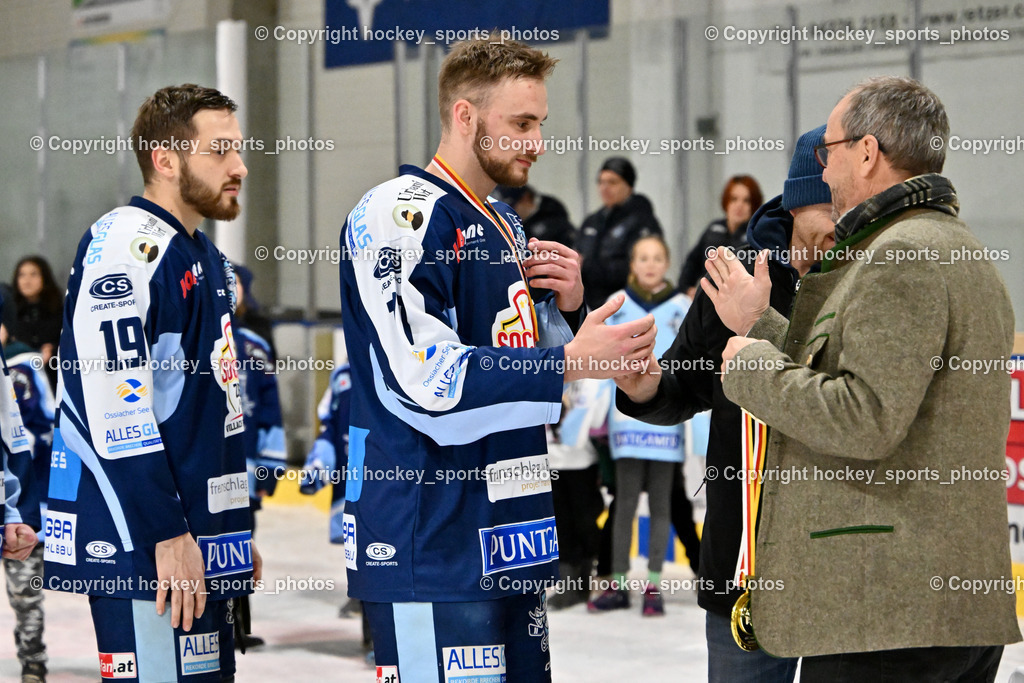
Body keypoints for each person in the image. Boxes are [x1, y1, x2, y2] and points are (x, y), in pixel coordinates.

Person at [338, 36, 657, 681]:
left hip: (512, 534)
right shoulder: (400, 216)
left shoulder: (505, 223)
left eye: (541, 123)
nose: (537, 142)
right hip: (433, 538)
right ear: (465, 116)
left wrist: (571, 314)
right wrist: (568, 362)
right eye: (521, 124)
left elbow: (528, 370)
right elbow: (427, 380)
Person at [702, 76, 1020, 680]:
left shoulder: (901, 257)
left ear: (868, 152)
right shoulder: (953, 248)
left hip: (887, 615)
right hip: (935, 612)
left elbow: (864, 416)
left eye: (829, 150)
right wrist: (763, 326)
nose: (823, 171)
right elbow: (871, 379)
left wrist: (750, 364)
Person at [44, 84, 262, 682]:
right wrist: (167, 533)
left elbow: (211, 405)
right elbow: (115, 407)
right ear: (165, 160)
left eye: (238, 149)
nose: (239, 166)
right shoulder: (123, 246)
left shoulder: (207, 257)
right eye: (220, 150)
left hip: (198, 538)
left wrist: (229, 529)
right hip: (147, 543)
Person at [615, 125, 835, 682]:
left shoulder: (867, 276)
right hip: (743, 563)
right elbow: (683, 386)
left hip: (838, 563)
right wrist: (643, 387)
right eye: (831, 206)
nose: (846, 221)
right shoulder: (731, 276)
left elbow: (852, 402)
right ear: (798, 199)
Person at [588, 236, 691, 617]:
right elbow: (599, 361)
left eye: (657, 258)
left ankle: (653, 586)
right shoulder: (617, 305)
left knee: (662, 505)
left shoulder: (682, 308)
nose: (650, 264)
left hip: (667, 421)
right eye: (643, 258)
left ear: (667, 263)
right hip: (626, 421)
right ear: (632, 264)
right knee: (625, 504)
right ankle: (617, 583)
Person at [232, 265, 285, 651]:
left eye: (234, 283)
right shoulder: (191, 337)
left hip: (244, 468)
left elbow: (270, 410)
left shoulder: (254, 346)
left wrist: (269, 469)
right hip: (202, 471)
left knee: (242, 542)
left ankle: (237, 626)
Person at [1, 329, 53, 683]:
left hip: (24, 500)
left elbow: (29, 432)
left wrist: (18, 509)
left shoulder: (22, 366)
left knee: (26, 591)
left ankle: (33, 660)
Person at [545, 378, 610, 610]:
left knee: (585, 524)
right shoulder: (542, 372)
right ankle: (568, 586)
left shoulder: (592, 379)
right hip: (551, 463)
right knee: (562, 527)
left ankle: (585, 583)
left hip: (584, 462)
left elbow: (598, 418)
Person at [578, 157, 663, 309]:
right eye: (601, 182)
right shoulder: (592, 221)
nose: (604, 188)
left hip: (626, 305)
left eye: (612, 182)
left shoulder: (643, 222)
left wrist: (588, 266)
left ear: (628, 186)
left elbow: (639, 268)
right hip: (588, 305)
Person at [677, 176, 763, 298]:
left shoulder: (757, 235)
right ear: (726, 201)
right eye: (734, 199)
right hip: (707, 297)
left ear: (754, 205)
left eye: (746, 201)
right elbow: (692, 262)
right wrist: (686, 289)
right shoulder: (713, 228)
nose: (739, 205)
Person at [9, 257, 63, 390]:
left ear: (44, 278)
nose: (27, 281)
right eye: (22, 275)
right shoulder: (9, 313)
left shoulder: (59, 311)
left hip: (54, 377)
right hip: (19, 381)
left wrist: (52, 350)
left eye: (33, 274)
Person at [493, 185, 576, 247]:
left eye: (511, 207)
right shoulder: (514, 224)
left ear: (526, 198)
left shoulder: (555, 222)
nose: (506, 213)